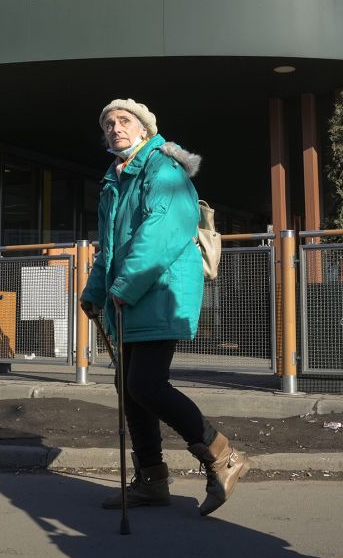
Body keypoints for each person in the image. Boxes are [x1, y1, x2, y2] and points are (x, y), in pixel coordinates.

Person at [80, 98, 249, 516]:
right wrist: (94, 291)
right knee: (130, 388)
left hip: (161, 290)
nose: (115, 128)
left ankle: (222, 455)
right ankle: (152, 480)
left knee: (145, 385)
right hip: (133, 293)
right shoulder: (114, 180)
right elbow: (111, 248)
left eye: (124, 121)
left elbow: (162, 232)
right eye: (109, 123)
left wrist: (124, 285)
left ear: (144, 129)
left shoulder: (163, 167)